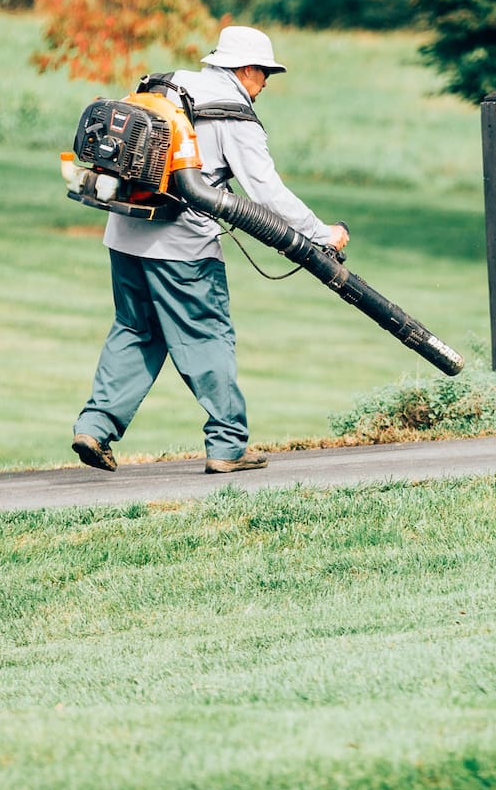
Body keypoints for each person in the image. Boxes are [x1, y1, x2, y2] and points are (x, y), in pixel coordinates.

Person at [71, 25, 348, 475]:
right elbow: (266, 192)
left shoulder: (167, 84)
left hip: (123, 232)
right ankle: (227, 444)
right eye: (265, 76)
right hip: (182, 247)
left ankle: (95, 426)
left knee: (135, 329)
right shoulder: (232, 113)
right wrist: (322, 233)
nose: (265, 86)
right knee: (206, 335)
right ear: (247, 69)